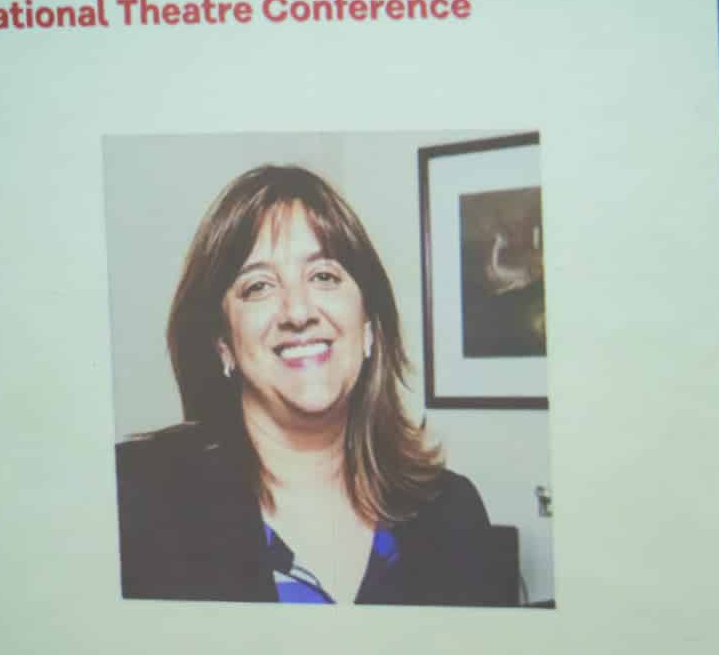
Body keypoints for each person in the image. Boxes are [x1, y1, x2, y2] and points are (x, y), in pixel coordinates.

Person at [116, 164, 511, 606]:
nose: (298, 312)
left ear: (368, 326)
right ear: (224, 344)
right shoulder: (133, 500)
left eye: (324, 276)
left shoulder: (452, 510)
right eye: (259, 286)